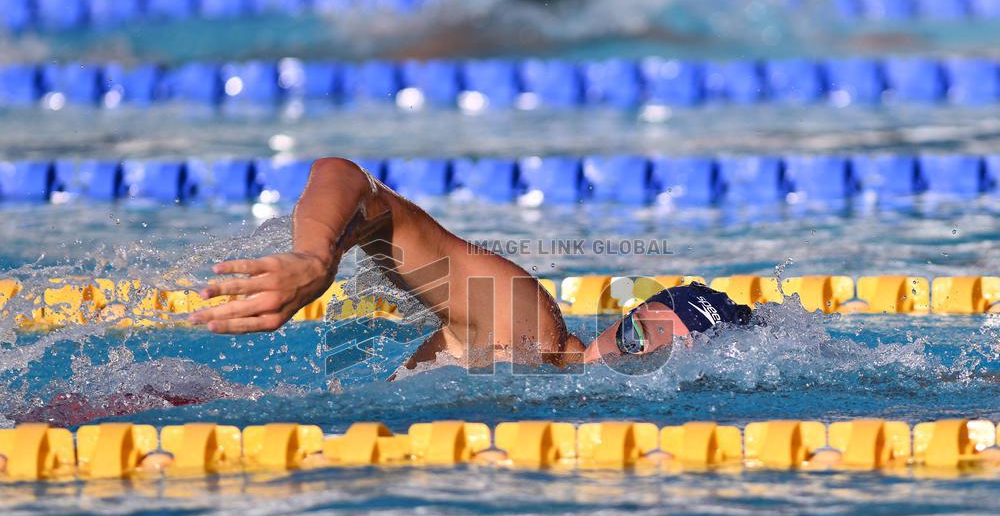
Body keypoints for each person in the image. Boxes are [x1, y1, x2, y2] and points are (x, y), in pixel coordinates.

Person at [190, 158, 751, 374]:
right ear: (616, 321)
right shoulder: (522, 326)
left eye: (661, 357)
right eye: (634, 335)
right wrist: (314, 257)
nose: (632, 360)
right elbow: (348, 179)